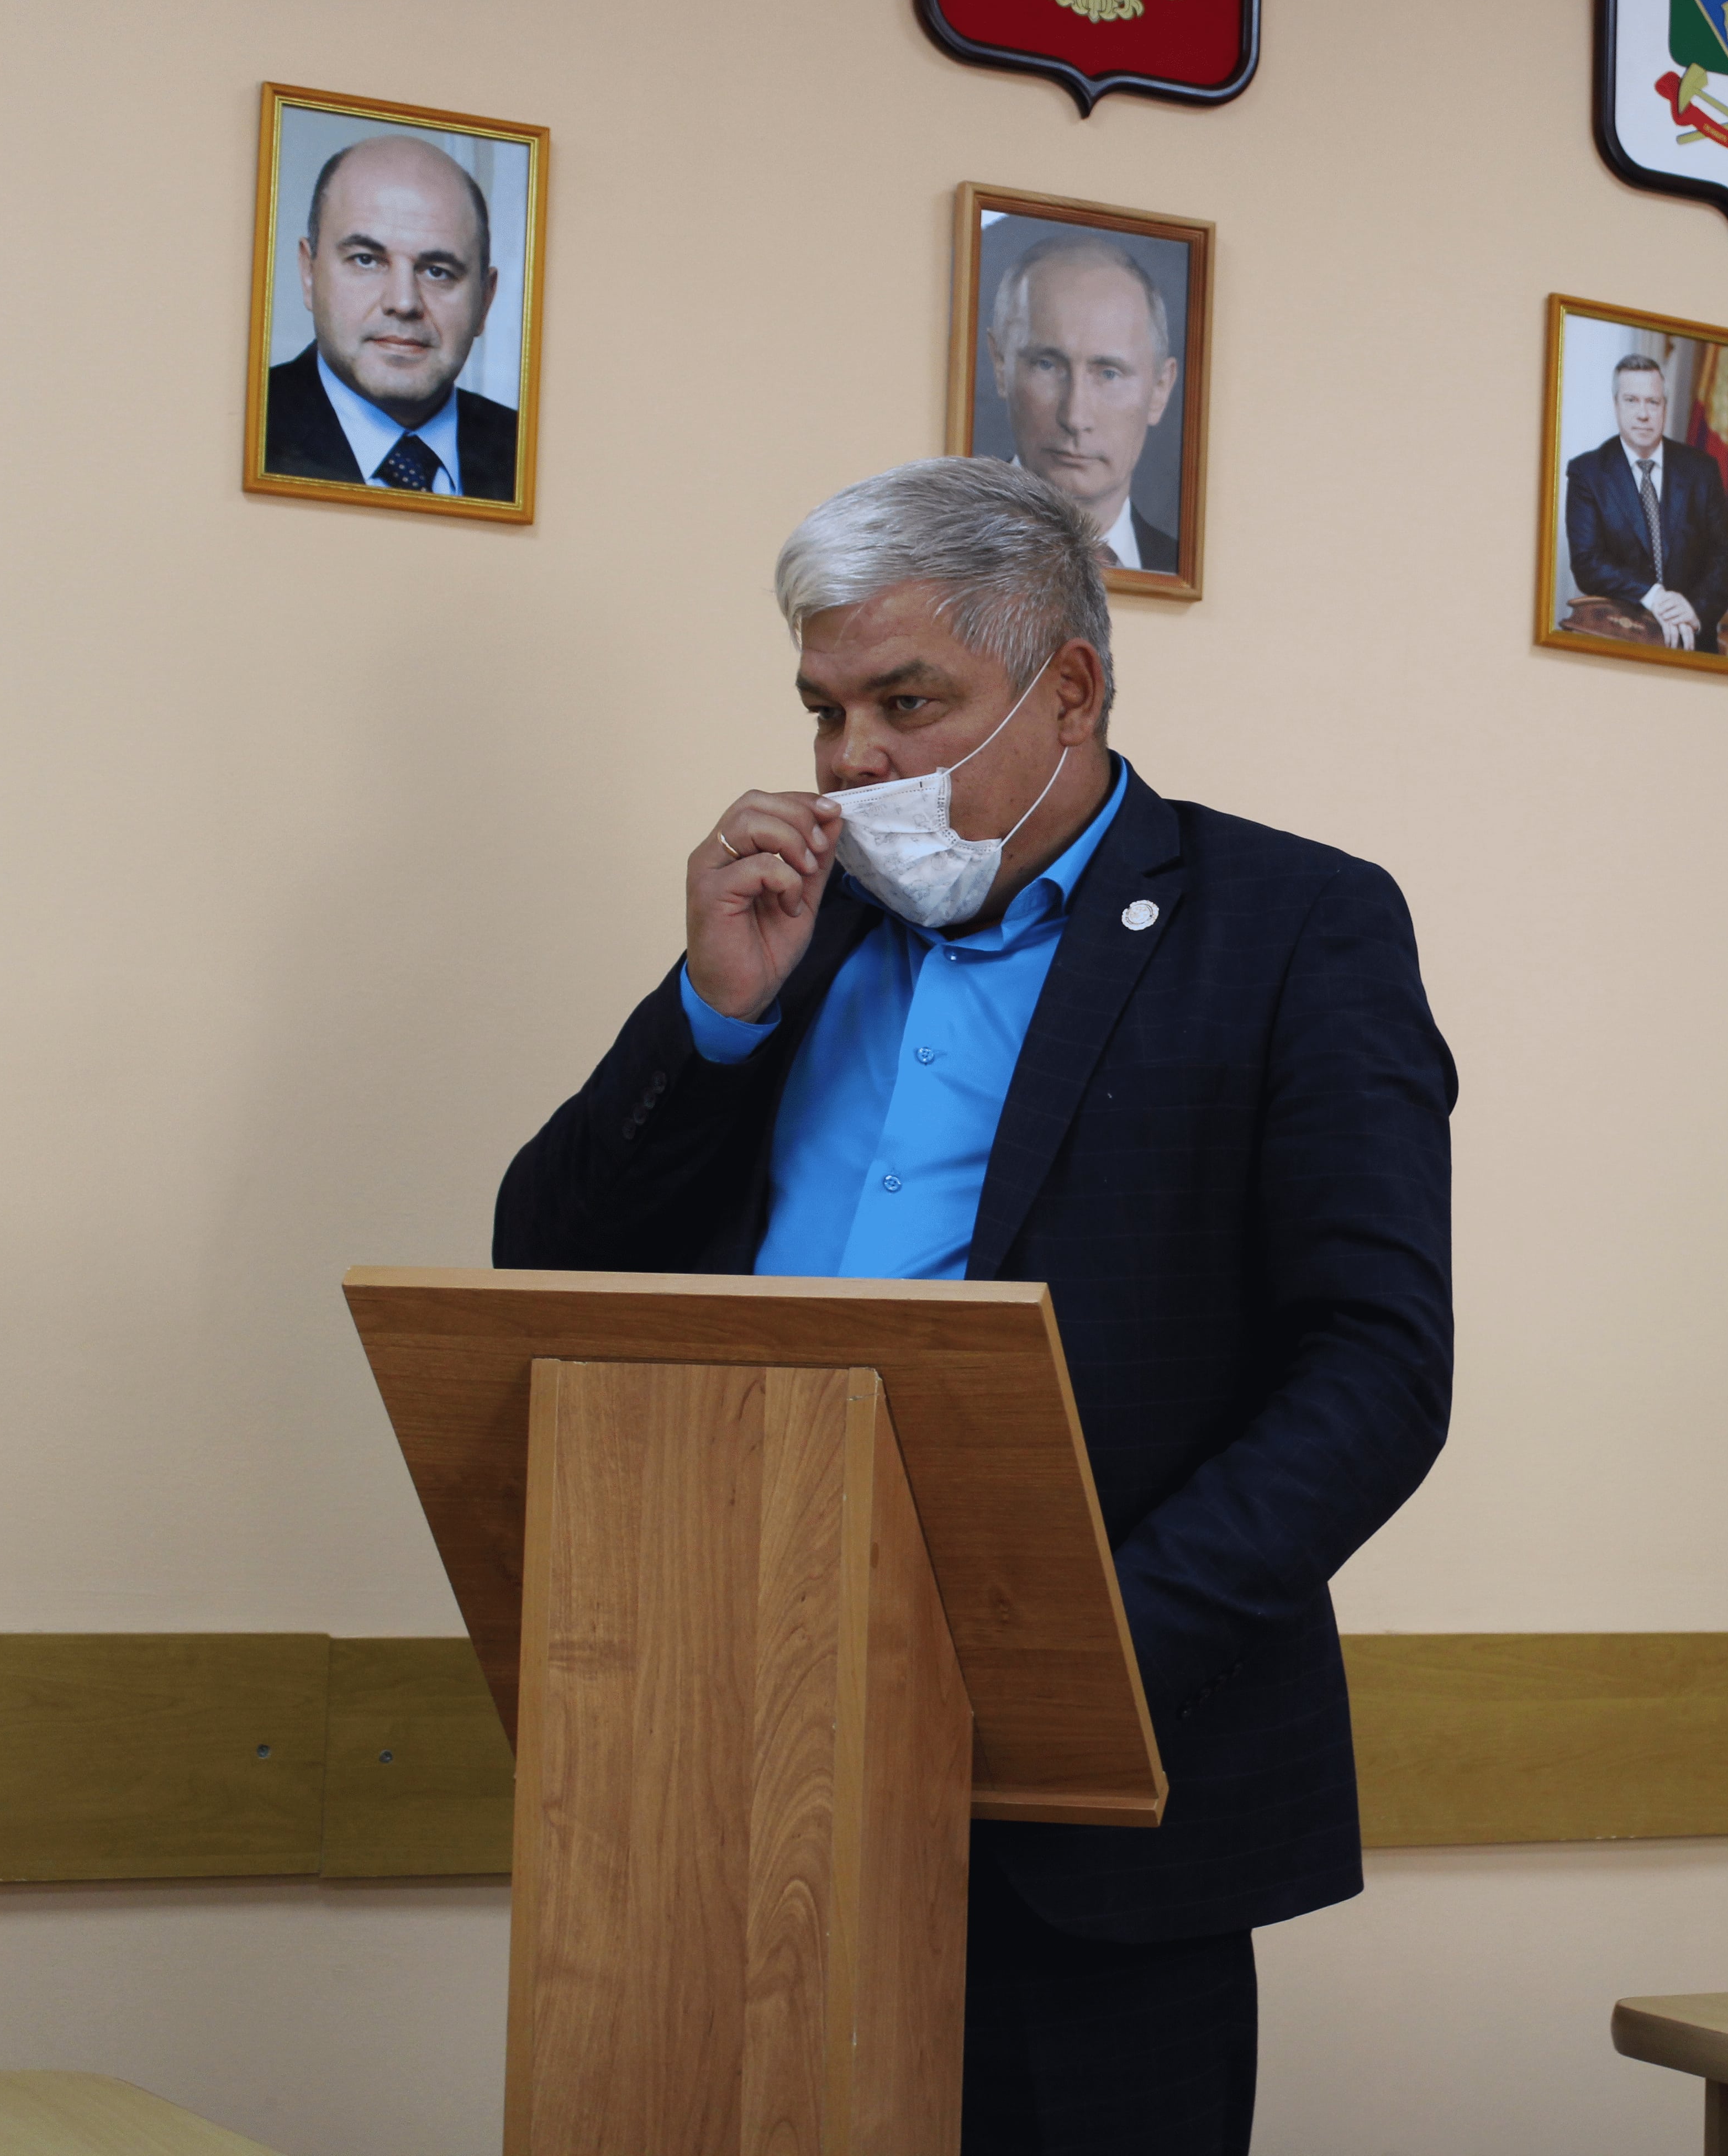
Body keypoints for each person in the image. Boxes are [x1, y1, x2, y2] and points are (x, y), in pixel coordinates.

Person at [493, 458, 1453, 2155]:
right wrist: (712, 1017)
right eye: (823, 710)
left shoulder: (1294, 927)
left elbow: (1376, 1367)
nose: (849, 761)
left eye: (906, 702)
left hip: (1092, 1823)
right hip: (730, 1758)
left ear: (1068, 688)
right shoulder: (797, 935)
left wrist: (1075, 1649)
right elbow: (543, 1266)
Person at [263, 134, 517, 501]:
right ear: (309, 274)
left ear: (486, 299)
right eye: (366, 260)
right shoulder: (238, 424)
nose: (404, 302)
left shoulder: (537, 456)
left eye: (438, 271)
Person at [986, 233, 1183, 576]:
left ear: (1160, 389)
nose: (1075, 417)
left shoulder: (1177, 568)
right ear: (1001, 365)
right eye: (1047, 365)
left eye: (1109, 374)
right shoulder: (928, 556)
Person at [1562, 353, 1728, 651]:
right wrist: (1655, 597)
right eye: (1632, 401)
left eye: (1653, 402)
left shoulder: (1702, 470)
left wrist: (1695, 609)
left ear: (1664, 407)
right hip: (1620, 637)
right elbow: (1588, 563)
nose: (1643, 414)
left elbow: (1726, 556)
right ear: (1616, 405)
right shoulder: (1588, 473)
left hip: (1693, 642)